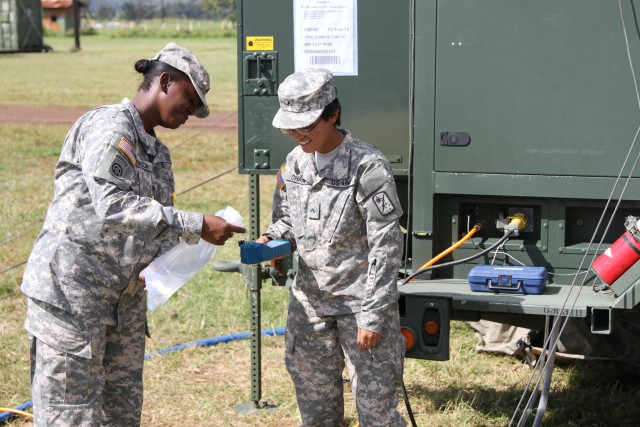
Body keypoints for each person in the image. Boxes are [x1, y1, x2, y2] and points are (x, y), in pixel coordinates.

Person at [20, 42, 245, 426]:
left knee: (120, 417)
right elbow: (111, 203)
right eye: (190, 99)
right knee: (70, 417)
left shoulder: (157, 154)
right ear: (165, 81)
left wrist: (198, 241)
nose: (193, 111)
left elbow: (154, 229)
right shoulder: (111, 128)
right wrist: (195, 224)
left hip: (121, 310)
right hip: (72, 301)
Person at [257, 68, 407, 426]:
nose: (297, 135)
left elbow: (386, 246)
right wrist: (269, 238)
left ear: (333, 114)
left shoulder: (367, 166)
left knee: (377, 415)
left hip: (360, 307)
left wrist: (373, 316)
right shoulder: (293, 163)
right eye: (291, 128)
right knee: (317, 415)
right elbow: (291, 220)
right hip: (309, 308)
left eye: (306, 127)